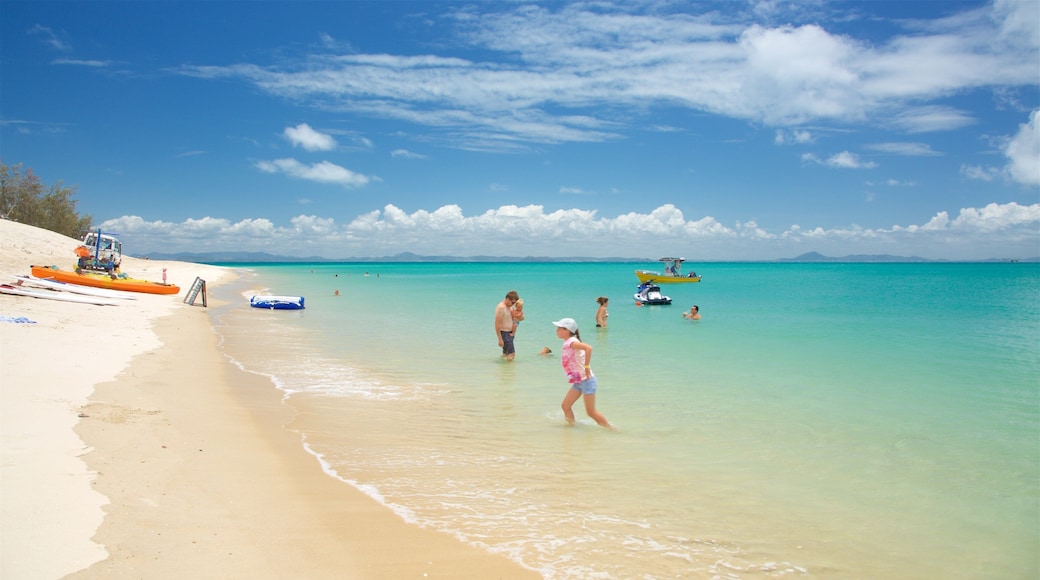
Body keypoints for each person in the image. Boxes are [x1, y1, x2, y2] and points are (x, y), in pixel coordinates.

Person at [552, 318, 614, 430]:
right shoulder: (569, 342)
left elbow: (588, 348)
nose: (556, 330)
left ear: (567, 330)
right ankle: (571, 428)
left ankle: (611, 429)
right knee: (565, 406)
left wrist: (586, 366)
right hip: (579, 381)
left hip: (587, 381)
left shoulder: (572, 342)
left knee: (591, 412)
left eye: (559, 328)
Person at [495, 290, 520, 361]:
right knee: (511, 354)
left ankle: (503, 370)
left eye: (514, 303)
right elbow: (497, 324)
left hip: (509, 333)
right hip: (505, 334)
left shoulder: (510, 307)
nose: (513, 304)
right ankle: (510, 371)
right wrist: (499, 339)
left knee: (506, 354)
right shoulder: (501, 308)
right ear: (508, 299)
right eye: (512, 302)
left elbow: (517, 318)